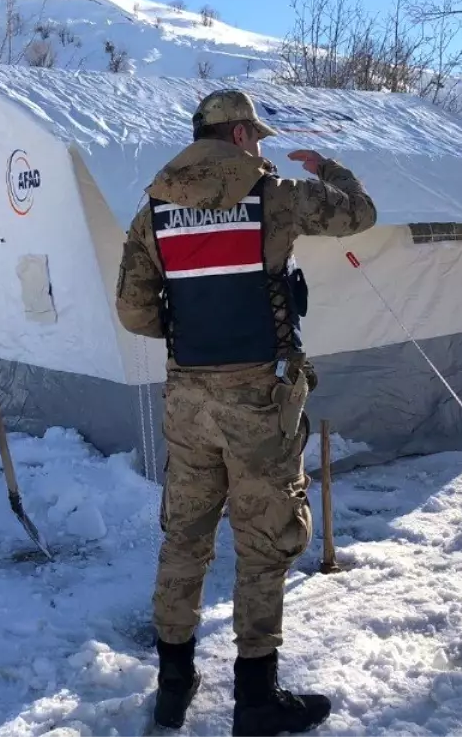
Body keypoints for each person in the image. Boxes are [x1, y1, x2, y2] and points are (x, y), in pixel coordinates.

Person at [115, 89, 377, 735]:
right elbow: (360, 215)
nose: (259, 147)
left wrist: (189, 324)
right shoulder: (278, 196)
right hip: (258, 399)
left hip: (188, 399)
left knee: (185, 536)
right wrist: (330, 170)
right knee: (263, 544)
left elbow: (134, 311)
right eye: (255, 137)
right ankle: (255, 697)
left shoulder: (155, 209)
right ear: (237, 137)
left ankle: (173, 683)